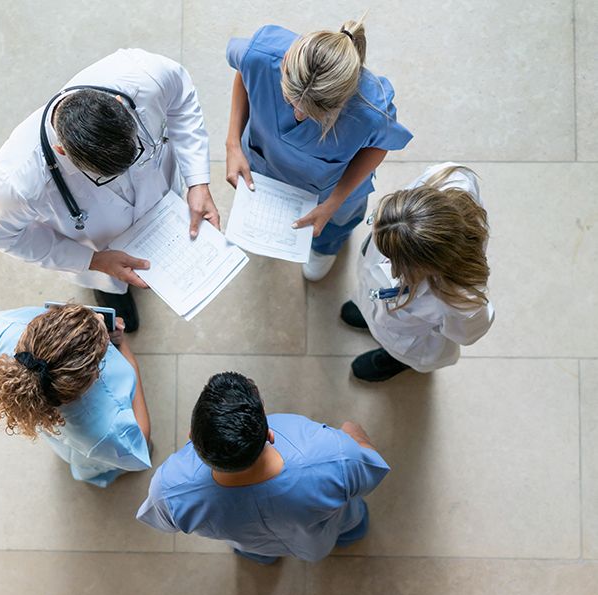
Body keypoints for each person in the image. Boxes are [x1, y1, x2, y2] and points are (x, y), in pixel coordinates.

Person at [0, 49, 219, 331]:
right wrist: (93, 260)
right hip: (99, 247)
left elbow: (182, 97)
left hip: (163, 204)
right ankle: (112, 293)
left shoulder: (143, 75)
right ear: (61, 151)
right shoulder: (15, 182)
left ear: (121, 104)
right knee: (112, 288)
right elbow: (0, 236)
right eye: (104, 177)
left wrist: (198, 181)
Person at [224, 17, 413, 281]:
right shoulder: (261, 54)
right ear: (284, 63)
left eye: (315, 113)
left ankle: (325, 248)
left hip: (333, 190)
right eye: (290, 99)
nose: (299, 115)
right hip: (264, 160)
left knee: (334, 225)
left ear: (346, 100)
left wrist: (334, 203)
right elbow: (245, 72)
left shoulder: (371, 110)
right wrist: (233, 144)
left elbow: (380, 146)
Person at [136, 372, 389, 563]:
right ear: (269, 434)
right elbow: (371, 472)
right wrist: (352, 433)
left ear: (191, 436)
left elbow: (161, 521)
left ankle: (265, 559)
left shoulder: (169, 489)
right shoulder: (334, 456)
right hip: (316, 541)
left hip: (252, 544)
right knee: (350, 526)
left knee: (257, 553)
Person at [341, 162, 493, 382]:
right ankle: (369, 313)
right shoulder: (448, 178)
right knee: (371, 294)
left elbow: (466, 334)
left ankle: (395, 360)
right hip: (378, 295)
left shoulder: (462, 301)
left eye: (391, 259)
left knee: (401, 347)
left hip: (406, 339)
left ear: (419, 266)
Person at [0, 303, 151, 487]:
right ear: (93, 377)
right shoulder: (106, 430)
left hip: (65, 437)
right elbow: (140, 442)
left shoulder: (10, 328)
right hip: (92, 447)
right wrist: (129, 358)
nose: (101, 317)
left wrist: (83, 325)